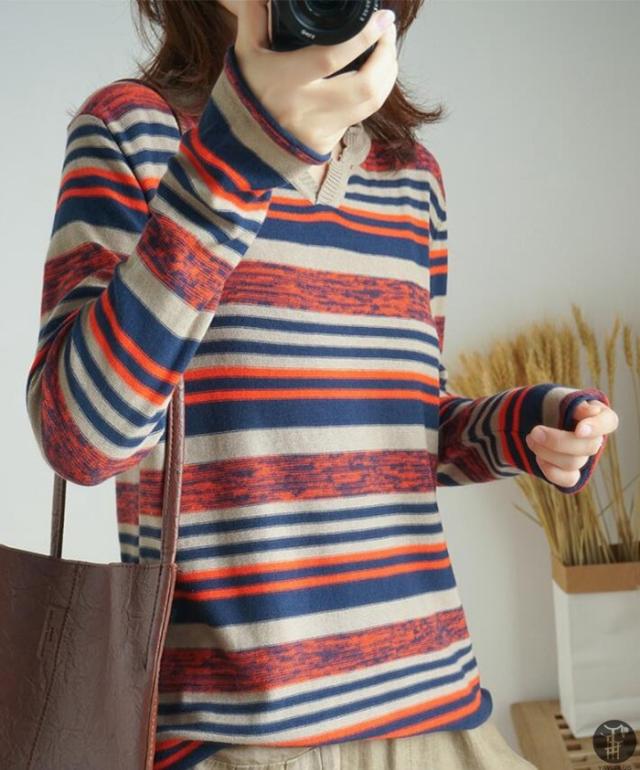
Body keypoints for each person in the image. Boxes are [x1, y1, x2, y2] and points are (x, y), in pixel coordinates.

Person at [24, 1, 618, 768]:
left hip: (434, 707)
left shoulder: (411, 179)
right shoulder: (134, 133)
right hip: (238, 734)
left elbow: (401, 436)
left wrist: (525, 427)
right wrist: (233, 162)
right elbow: (80, 437)